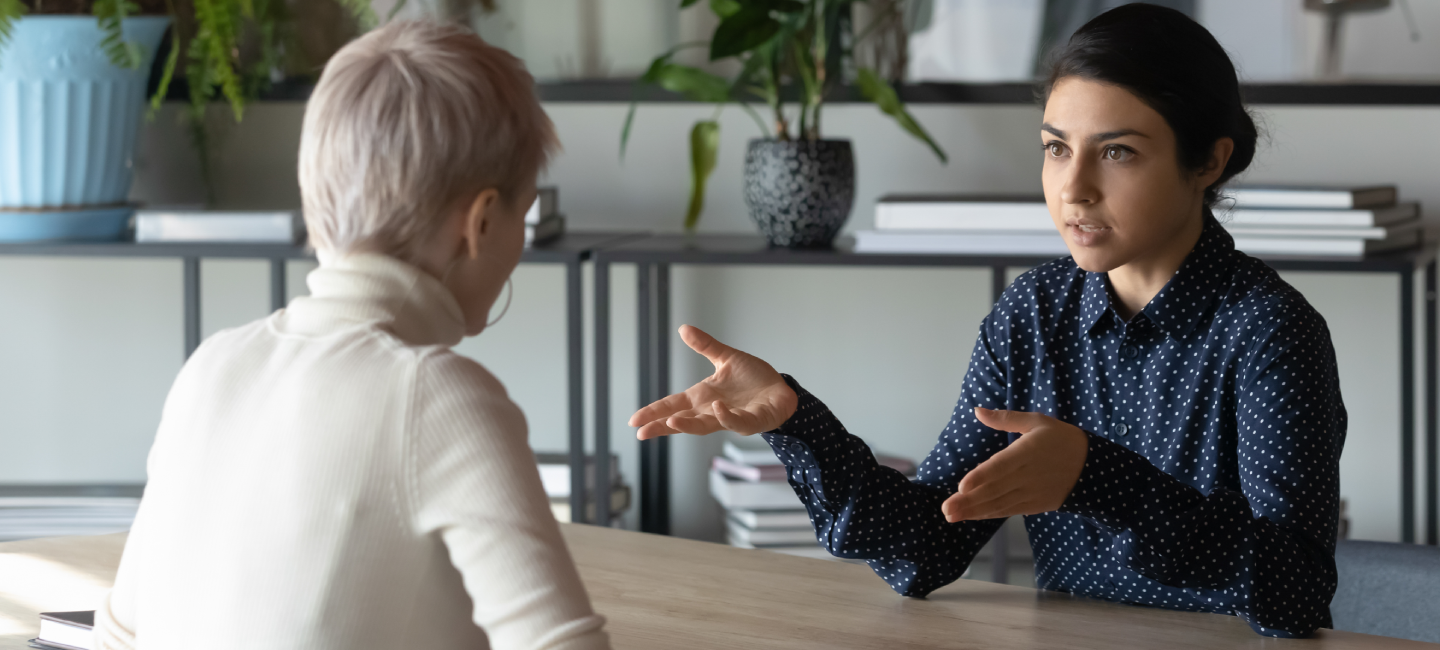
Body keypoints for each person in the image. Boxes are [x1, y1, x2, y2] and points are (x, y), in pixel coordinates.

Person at [630, 4, 1345, 639]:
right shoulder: (1033, 314)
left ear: (1208, 162)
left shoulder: (1271, 332)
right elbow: (925, 551)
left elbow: (1297, 591)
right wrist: (794, 420)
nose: (1075, 189)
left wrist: (1099, 478)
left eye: (1118, 152)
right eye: (1057, 148)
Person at [95, 21, 610, 650]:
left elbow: (120, 632)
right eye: (521, 214)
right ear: (478, 223)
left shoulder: (211, 366)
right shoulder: (440, 397)